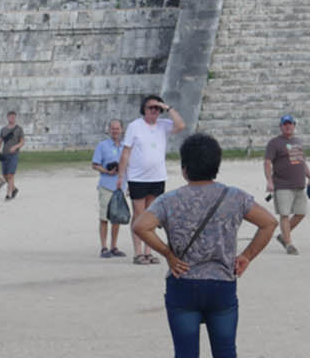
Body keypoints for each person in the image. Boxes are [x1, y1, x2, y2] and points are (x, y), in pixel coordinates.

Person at [133, 132, 278, 358]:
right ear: (216, 165)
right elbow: (269, 223)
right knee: (226, 351)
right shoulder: (234, 197)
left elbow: (141, 226)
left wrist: (167, 254)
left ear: (184, 168)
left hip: (183, 282)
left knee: (185, 353)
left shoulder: (169, 200)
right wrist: (247, 255)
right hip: (221, 282)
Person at [119, 95, 186, 265]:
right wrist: (122, 177)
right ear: (144, 109)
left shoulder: (163, 125)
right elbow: (126, 152)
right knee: (139, 215)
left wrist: (167, 107)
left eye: (157, 109)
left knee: (152, 216)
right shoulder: (135, 126)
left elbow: (181, 125)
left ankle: (149, 251)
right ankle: (138, 252)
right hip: (137, 178)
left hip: (157, 177)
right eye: (151, 108)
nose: (154, 111)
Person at [262, 114, 310, 255]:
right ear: (281, 127)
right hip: (282, 184)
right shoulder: (274, 143)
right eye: (285, 124)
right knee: (284, 214)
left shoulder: (298, 141)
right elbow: (267, 162)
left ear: (294, 126)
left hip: (299, 184)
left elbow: (302, 161)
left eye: (290, 124)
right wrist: (269, 181)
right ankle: (289, 244)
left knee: (301, 213)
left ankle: (283, 236)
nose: (288, 126)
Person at [92, 118, 126, 258]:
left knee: (117, 218)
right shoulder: (102, 146)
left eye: (117, 128)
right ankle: (104, 247)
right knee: (104, 217)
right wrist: (107, 171)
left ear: (122, 130)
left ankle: (114, 246)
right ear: (109, 130)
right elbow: (95, 165)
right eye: (112, 128)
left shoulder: (126, 146)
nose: (115, 131)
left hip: (120, 186)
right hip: (106, 185)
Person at [0, 109, 25, 200]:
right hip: (4, 155)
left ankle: (8, 194)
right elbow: (0, 141)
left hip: (13, 155)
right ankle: (14, 189)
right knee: (5, 176)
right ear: (7, 118)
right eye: (10, 117)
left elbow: (22, 142)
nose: (12, 118)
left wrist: (15, 147)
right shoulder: (3, 129)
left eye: (13, 117)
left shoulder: (19, 129)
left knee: (10, 175)